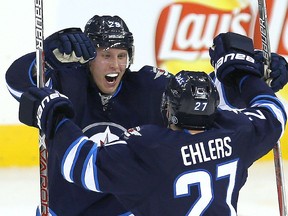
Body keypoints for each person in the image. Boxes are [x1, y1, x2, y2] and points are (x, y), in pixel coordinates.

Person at [5, 14, 288, 215]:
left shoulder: (149, 86)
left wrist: (253, 76)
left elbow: (204, 96)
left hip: (124, 210)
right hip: (62, 208)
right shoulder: (66, 79)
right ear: (87, 58)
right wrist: (46, 57)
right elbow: (17, 82)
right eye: (105, 55)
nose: (115, 63)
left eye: (122, 55)